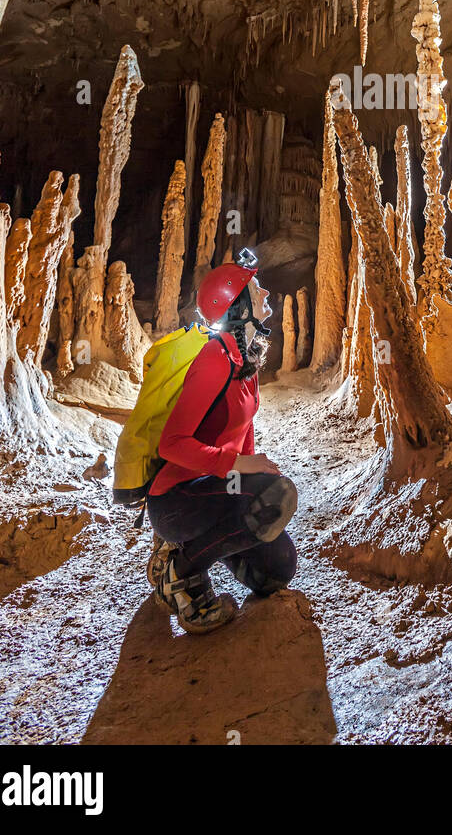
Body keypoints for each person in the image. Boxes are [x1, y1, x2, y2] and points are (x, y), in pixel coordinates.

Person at [146, 251, 298, 634]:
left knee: (277, 571)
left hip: (212, 490)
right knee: (279, 495)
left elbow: (242, 432)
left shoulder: (246, 359)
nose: (264, 291)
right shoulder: (215, 357)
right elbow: (172, 444)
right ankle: (180, 570)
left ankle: (188, 552)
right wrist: (239, 468)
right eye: (254, 286)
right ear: (238, 304)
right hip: (177, 499)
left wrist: (248, 478)